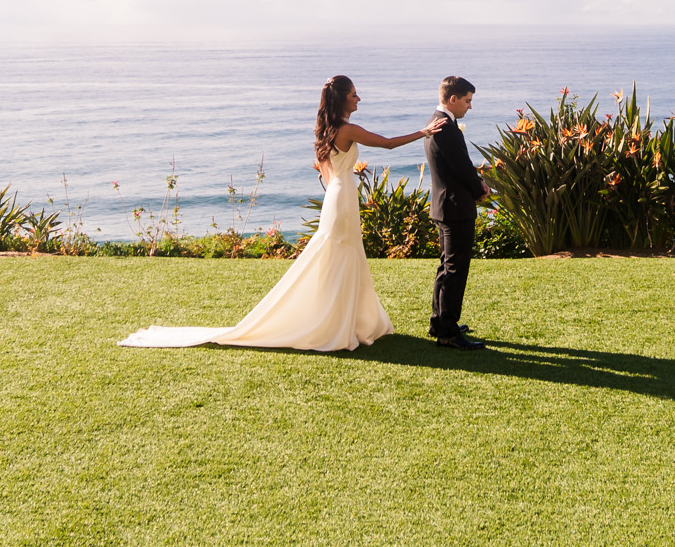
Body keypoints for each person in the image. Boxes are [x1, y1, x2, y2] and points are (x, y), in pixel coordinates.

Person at [118, 75, 438, 352]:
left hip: (337, 198)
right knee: (340, 257)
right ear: (342, 99)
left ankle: (341, 321)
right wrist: (424, 132)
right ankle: (335, 324)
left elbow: (327, 177)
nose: (359, 98)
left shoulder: (326, 132)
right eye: (354, 94)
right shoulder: (347, 130)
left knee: (340, 258)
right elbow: (388, 144)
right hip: (342, 200)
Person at [423, 75, 488, 350]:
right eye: (467, 101)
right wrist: (480, 188)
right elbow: (462, 167)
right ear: (453, 99)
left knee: (446, 266)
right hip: (455, 207)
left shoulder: (436, 122)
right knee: (454, 269)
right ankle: (447, 331)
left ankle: (441, 321)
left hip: (444, 205)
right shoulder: (446, 129)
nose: (469, 107)